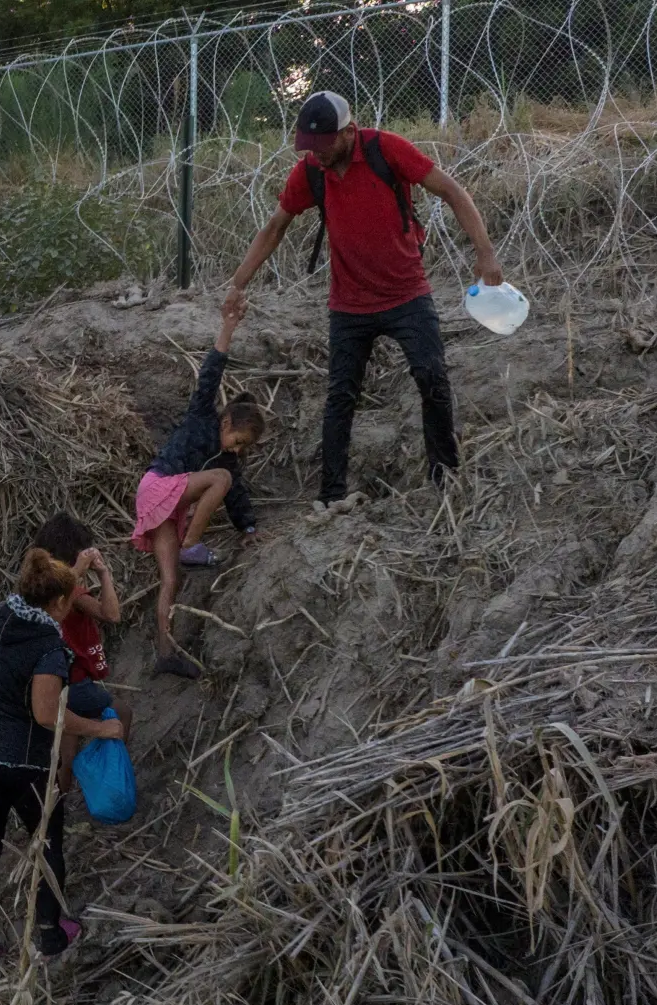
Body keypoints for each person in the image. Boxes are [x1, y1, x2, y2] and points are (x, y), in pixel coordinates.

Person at [223, 91, 504, 512]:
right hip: (349, 304)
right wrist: (238, 282)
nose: (314, 154)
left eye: (321, 145)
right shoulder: (310, 172)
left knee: (432, 378)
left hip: (406, 292)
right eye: (307, 147)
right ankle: (331, 494)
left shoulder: (387, 150)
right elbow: (275, 227)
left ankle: (444, 476)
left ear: (349, 132)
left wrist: (485, 254)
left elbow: (453, 192)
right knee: (340, 395)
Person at [0, 549, 126, 961]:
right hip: (23, 763)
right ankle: (49, 934)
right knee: (48, 839)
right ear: (58, 604)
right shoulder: (48, 645)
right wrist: (101, 727)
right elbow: (47, 713)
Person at [132, 307, 267, 678]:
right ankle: (193, 544)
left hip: (165, 504)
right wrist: (227, 326)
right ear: (226, 422)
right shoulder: (201, 418)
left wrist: (250, 528)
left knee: (171, 579)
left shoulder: (228, 460)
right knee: (221, 478)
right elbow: (210, 373)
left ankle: (165, 650)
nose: (238, 449)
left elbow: (237, 497)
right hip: (158, 486)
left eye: (244, 447)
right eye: (238, 440)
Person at [30, 512, 134, 784]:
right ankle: (114, 777)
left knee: (66, 748)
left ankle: (57, 806)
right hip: (73, 681)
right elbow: (111, 614)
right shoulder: (71, 593)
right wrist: (104, 573)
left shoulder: (39, 589)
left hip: (51, 681)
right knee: (122, 713)